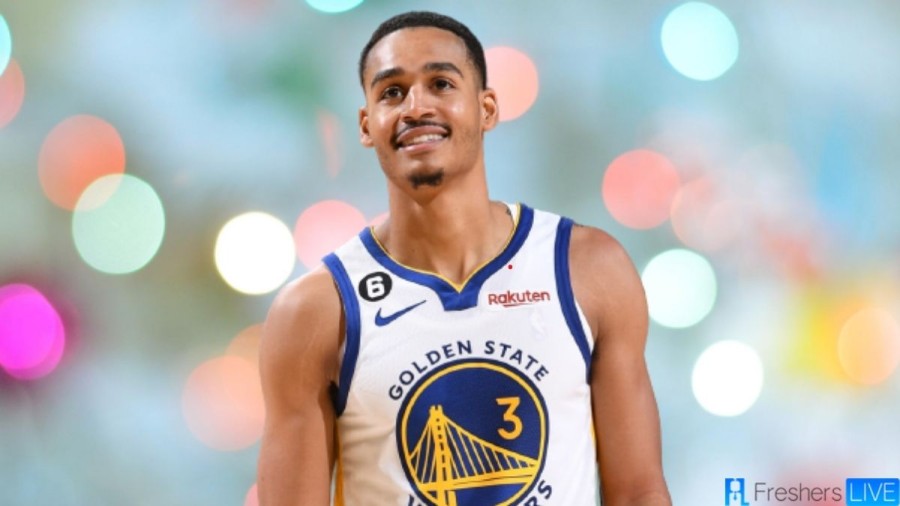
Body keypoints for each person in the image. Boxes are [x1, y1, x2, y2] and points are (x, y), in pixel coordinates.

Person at [257, 10, 671, 506]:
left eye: (441, 84)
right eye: (392, 92)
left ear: (487, 109)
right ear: (366, 125)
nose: (416, 107)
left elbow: (639, 492)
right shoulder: (315, 311)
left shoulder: (588, 269)